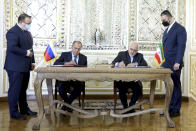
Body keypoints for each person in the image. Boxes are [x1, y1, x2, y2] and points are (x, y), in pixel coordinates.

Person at [4, 13, 37, 120]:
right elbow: (12, 48)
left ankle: (24, 109)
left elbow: (30, 49)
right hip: (15, 67)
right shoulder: (12, 31)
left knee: (23, 89)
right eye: (28, 23)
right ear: (21, 22)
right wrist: (26, 53)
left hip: (25, 66)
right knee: (14, 90)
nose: (29, 25)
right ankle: (14, 113)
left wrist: (32, 62)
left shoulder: (28, 33)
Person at [160, 10, 187, 117]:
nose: (163, 22)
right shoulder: (166, 31)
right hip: (166, 64)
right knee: (168, 87)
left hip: (174, 64)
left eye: (163, 20)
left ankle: (176, 109)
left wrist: (177, 62)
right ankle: (169, 108)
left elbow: (181, 46)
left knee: (175, 86)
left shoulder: (180, 29)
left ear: (169, 17)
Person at [112, 42, 148, 113]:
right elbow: (113, 63)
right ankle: (125, 107)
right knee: (121, 89)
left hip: (133, 80)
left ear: (137, 50)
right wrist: (118, 64)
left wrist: (136, 64)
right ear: (128, 48)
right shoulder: (121, 54)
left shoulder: (140, 56)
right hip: (123, 80)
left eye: (135, 50)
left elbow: (145, 65)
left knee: (138, 89)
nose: (132, 52)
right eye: (131, 49)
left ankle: (131, 106)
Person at [54, 41, 87, 112]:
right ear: (72, 47)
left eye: (79, 49)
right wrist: (67, 63)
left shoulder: (83, 58)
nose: (77, 50)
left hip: (77, 81)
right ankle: (68, 104)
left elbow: (85, 71)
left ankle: (66, 105)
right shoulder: (65, 55)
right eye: (75, 48)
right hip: (65, 79)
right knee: (61, 87)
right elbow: (56, 63)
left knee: (79, 87)